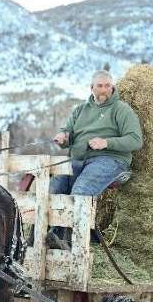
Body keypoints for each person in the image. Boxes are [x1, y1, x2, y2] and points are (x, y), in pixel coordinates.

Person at [47, 70, 143, 248]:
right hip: (79, 159)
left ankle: (71, 241)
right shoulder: (81, 110)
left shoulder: (121, 110)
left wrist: (106, 142)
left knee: (81, 191)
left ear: (112, 87)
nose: (104, 90)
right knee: (55, 186)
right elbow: (67, 134)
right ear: (92, 88)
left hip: (110, 159)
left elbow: (135, 140)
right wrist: (63, 137)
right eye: (100, 86)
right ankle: (49, 234)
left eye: (108, 86)